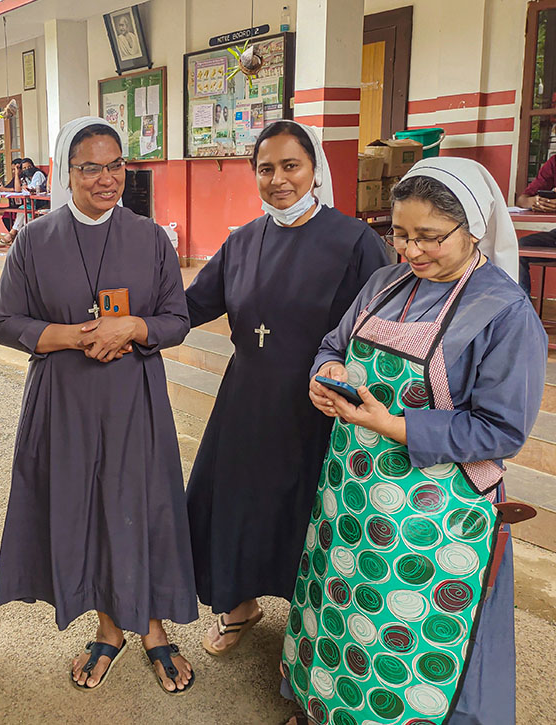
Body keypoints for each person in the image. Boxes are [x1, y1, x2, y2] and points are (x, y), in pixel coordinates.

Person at [282, 156, 544, 725]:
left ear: (473, 228)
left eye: (429, 237)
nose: (411, 251)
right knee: (340, 610)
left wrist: (391, 425)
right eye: (399, 234)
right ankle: (328, 709)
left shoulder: (503, 312)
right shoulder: (384, 282)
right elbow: (334, 342)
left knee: (410, 635)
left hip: (435, 515)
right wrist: (323, 376)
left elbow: (501, 430)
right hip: (351, 491)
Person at [0, 117, 198, 695]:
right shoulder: (34, 239)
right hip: (67, 400)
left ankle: (151, 626)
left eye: (115, 166)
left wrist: (132, 325)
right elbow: (4, 321)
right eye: (90, 168)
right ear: (66, 172)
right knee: (88, 507)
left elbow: (177, 320)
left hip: (134, 397)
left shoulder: (151, 237)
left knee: (141, 504)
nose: (106, 179)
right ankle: (110, 625)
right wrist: (75, 335)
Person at [184, 121, 387, 657]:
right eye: (266, 169)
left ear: (314, 169)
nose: (278, 180)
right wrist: (132, 318)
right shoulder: (243, 241)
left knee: (305, 509)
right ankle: (238, 605)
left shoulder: (354, 241)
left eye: (290, 166)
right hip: (246, 400)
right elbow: (191, 306)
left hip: (317, 405)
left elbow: (377, 326)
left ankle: (313, 624)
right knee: (236, 501)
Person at [514, 155, 556, 295]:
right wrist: (537, 202)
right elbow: (522, 200)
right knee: (518, 249)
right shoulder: (554, 163)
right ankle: (523, 311)